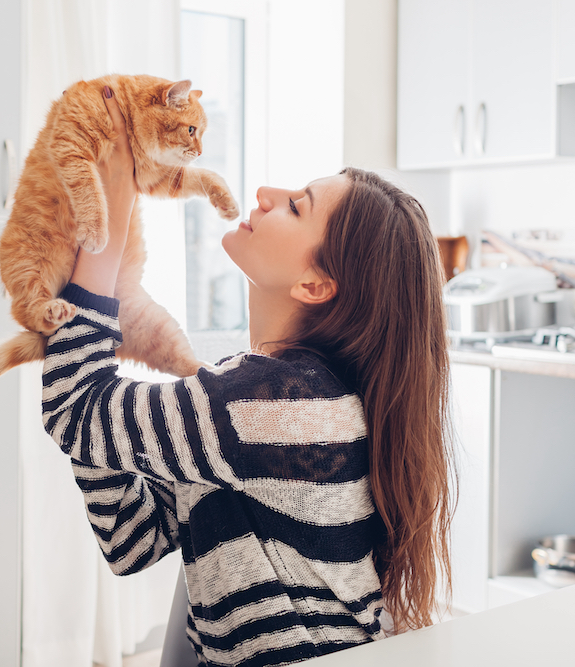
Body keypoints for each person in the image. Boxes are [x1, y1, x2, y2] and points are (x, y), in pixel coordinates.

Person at [40, 86, 455, 667]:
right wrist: (102, 312)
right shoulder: (267, 401)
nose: (264, 195)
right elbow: (129, 538)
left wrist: (101, 245)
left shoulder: (275, 406)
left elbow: (73, 412)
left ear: (315, 285)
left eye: (296, 207)